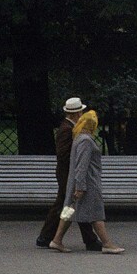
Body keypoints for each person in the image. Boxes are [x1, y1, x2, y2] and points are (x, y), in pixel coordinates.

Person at [50, 110, 124, 253]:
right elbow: (82, 166)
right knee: (96, 212)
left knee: (69, 211)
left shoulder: (78, 137)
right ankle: (107, 244)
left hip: (77, 181)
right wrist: (81, 186)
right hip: (87, 182)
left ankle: (57, 240)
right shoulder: (86, 140)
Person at [36, 97, 102, 251]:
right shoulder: (66, 129)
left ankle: (50, 236)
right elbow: (63, 153)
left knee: (70, 204)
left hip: (68, 172)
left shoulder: (70, 127)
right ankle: (49, 237)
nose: (82, 114)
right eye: (80, 111)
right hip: (67, 173)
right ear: (76, 114)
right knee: (68, 204)